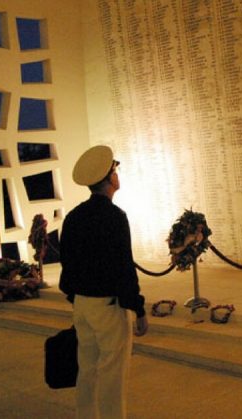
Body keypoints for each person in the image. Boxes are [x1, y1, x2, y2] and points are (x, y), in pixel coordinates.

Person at [59, 145, 148, 419]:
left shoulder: (74, 217)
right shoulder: (115, 217)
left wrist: (75, 298)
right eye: (115, 170)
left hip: (83, 306)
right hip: (109, 308)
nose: (117, 174)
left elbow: (67, 262)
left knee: (87, 369)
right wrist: (138, 309)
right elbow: (123, 268)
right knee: (112, 373)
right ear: (109, 178)